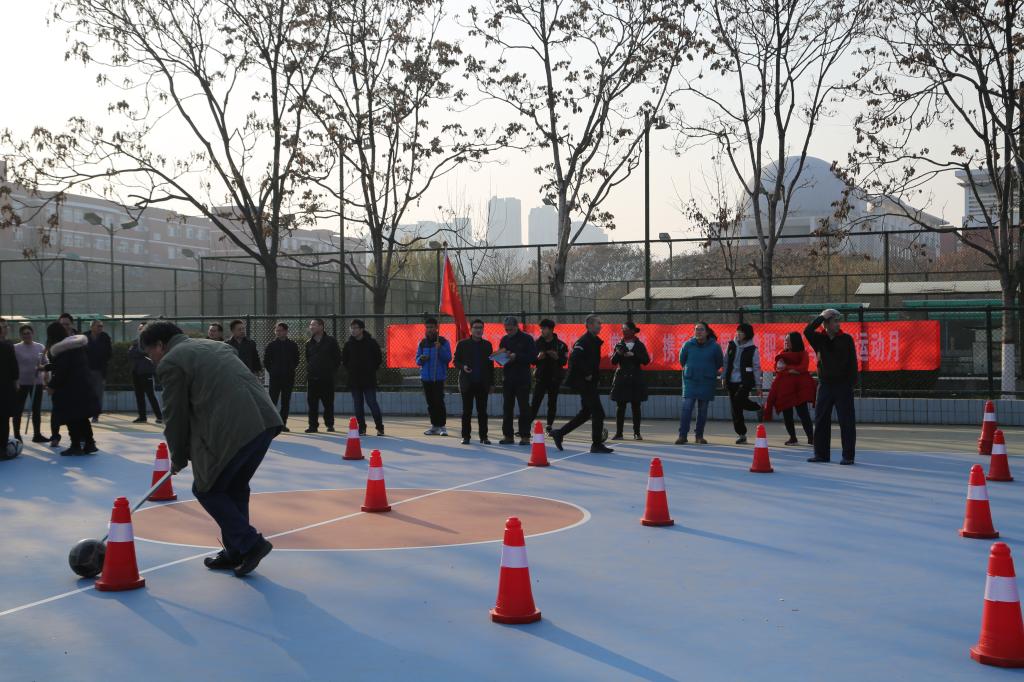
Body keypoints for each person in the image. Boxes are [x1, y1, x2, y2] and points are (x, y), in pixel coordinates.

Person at [140, 321, 282, 576]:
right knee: (234, 487)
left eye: (150, 353)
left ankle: (250, 544)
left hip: (236, 428)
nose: (152, 360)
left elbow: (175, 415)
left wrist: (178, 457)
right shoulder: (216, 346)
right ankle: (236, 551)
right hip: (265, 422)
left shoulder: (172, 362)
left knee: (207, 489)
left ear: (160, 345)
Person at [552, 314, 612, 454]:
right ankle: (596, 444)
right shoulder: (584, 341)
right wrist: (587, 373)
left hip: (589, 382)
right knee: (598, 412)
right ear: (589, 325)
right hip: (583, 382)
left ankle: (559, 433)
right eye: (598, 323)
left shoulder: (594, 341)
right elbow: (574, 358)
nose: (600, 326)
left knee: (586, 413)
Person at [804, 308, 858, 464]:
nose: (838, 324)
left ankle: (848, 456)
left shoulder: (846, 339)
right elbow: (807, 331)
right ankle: (821, 454)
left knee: (846, 421)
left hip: (843, 385)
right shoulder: (819, 339)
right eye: (834, 321)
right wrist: (821, 317)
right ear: (826, 324)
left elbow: (853, 362)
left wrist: (851, 383)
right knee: (821, 420)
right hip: (825, 385)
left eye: (838, 321)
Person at [44, 322, 99, 455]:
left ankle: (75, 446)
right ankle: (90, 443)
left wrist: (51, 386)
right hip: (83, 386)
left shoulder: (63, 350)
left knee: (72, 417)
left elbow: (62, 371)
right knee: (82, 417)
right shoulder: (75, 347)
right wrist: (46, 367)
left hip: (70, 390)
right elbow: (67, 365)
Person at [763, 332, 816, 446]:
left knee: (803, 414)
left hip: (799, 389)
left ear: (795, 341)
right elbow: (778, 368)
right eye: (785, 340)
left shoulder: (803, 353)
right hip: (786, 389)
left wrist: (787, 368)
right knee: (787, 414)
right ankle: (792, 437)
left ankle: (811, 437)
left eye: (788, 340)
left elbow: (803, 368)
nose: (785, 342)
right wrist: (791, 370)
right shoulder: (782, 353)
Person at [676, 322, 723, 445]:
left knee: (702, 410)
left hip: (706, 381)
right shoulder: (688, 345)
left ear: (707, 332)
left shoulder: (715, 347)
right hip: (690, 380)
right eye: (696, 329)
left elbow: (719, 362)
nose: (698, 332)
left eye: (701, 329)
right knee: (686, 408)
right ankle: (682, 435)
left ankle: (699, 436)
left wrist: (708, 370)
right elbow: (682, 360)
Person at [497, 316, 537, 446]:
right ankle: (508, 435)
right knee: (507, 407)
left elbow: (532, 357)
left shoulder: (527, 339)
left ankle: (525, 435)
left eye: (511, 329)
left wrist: (517, 356)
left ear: (517, 326)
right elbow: (501, 357)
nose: (508, 332)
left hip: (522, 378)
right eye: (506, 329)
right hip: (508, 378)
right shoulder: (504, 339)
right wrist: (500, 358)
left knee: (524, 407)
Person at [341, 319, 384, 437]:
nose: (353, 330)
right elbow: (345, 360)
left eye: (355, 328)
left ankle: (380, 427)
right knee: (358, 405)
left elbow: (378, 359)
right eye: (352, 328)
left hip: (369, 379)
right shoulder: (348, 344)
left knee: (372, 403)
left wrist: (370, 369)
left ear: (362, 329)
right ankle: (362, 428)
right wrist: (352, 369)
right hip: (354, 380)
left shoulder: (371, 343)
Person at [454, 319, 494, 445]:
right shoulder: (462, 344)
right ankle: (466, 436)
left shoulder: (487, 345)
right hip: (467, 383)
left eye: (480, 327)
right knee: (467, 412)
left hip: (482, 384)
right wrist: (463, 367)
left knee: (483, 412)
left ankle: (484, 437)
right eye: (476, 327)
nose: (478, 330)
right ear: (471, 329)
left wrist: (492, 383)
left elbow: (490, 366)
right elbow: (455, 361)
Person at [610, 322, 650, 440]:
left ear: (633, 330)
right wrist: (618, 353)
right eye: (623, 329)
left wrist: (633, 355)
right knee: (620, 406)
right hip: (622, 378)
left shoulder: (639, 345)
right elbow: (613, 361)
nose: (624, 331)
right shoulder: (619, 344)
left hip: (635, 378)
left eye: (626, 329)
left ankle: (637, 433)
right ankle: (619, 433)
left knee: (636, 406)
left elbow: (646, 360)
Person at [725, 322, 762, 445]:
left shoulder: (752, 349)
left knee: (738, 400)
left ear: (747, 334)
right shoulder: (731, 345)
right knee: (735, 409)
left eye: (741, 332)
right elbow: (726, 362)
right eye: (737, 331)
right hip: (731, 381)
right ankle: (742, 434)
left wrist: (758, 385)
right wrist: (724, 377)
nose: (738, 334)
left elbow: (756, 368)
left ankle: (758, 407)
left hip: (745, 381)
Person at [530, 319, 568, 434]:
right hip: (540, 377)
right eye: (541, 328)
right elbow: (532, 360)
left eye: (544, 328)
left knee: (552, 402)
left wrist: (557, 357)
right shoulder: (536, 343)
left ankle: (549, 425)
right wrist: (538, 358)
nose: (542, 331)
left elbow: (564, 362)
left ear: (551, 329)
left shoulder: (560, 345)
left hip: (554, 378)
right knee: (535, 402)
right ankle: (526, 425)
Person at [305, 318, 341, 433]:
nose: (311, 327)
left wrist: (330, 371)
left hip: (327, 378)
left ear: (321, 326)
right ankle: (312, 426)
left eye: (314, 325)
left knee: (328, 403)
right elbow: (308, 358)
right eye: (311, 325)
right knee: (312, 404)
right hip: (312, 378)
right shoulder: (308, 343)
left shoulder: (331, 341)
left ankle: (329, 424)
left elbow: (337, 358)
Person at [416, 317, 451, 436]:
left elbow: (448, 358)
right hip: (426, 378)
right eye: (427, 327)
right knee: (430, 403)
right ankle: (434, 426)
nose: (429, 329)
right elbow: (417, 360)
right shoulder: (422, 343)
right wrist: (421, 359)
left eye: (431, 327)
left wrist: (440, 348)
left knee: (439, 401)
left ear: (437, 328)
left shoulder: (443, 342)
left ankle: (442, 426)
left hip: (438, 377)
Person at [14, 325, 48, 443]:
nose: (26, 335)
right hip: (21, 384)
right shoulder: (15, 348)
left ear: (32, 334)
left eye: (28, 333)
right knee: (18, 410)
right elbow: (12, 365)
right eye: (24, 334)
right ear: (20, 335)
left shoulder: (40, 347)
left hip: (36, 383)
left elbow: (46, 363)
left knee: (36, 410)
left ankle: (37, 435)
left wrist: (42, 369)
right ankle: (17, 435)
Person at [263, 322, 299, 432]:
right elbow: (266, 361)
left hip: (288, 378)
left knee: (285, 401)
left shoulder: (292, 345)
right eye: (277, 330)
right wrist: (273, 371)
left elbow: (296, 359)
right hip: (275, 378)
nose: (278, 333)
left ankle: (283, 424)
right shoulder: (271, 345)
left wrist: (290, 368)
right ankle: (271, 424)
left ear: (286, 331)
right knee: (272, 401)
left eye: (280, 330)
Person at [128, 322, 163, 424]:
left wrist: (139, 352)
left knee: (150, 394)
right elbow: (130, 353)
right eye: (139, 328)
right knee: (139, 395)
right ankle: (142, 417)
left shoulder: (151, 341)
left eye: (142, 328)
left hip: (146, 371)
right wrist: (138, 352)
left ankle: (159, 416)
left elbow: (143, 352)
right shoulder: (135, 341)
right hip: (136, 371)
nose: (140, 330)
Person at [85, 320, 112, 423]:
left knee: (98, 394)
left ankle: (95, 415)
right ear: (92, 327)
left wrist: (103, 361)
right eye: (98, 326)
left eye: (101, 326)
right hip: (86, 370)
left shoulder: (105, 337)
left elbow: (109, 353)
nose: (100, 328)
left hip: (100, 370)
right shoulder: (84, 337)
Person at [0, 320, 18, 448]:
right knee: (3, 419)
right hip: (5, 388)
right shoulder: (7, 347)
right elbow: (14, 368)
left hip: (5, 387)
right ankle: (2, 448)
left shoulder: (8, 345)